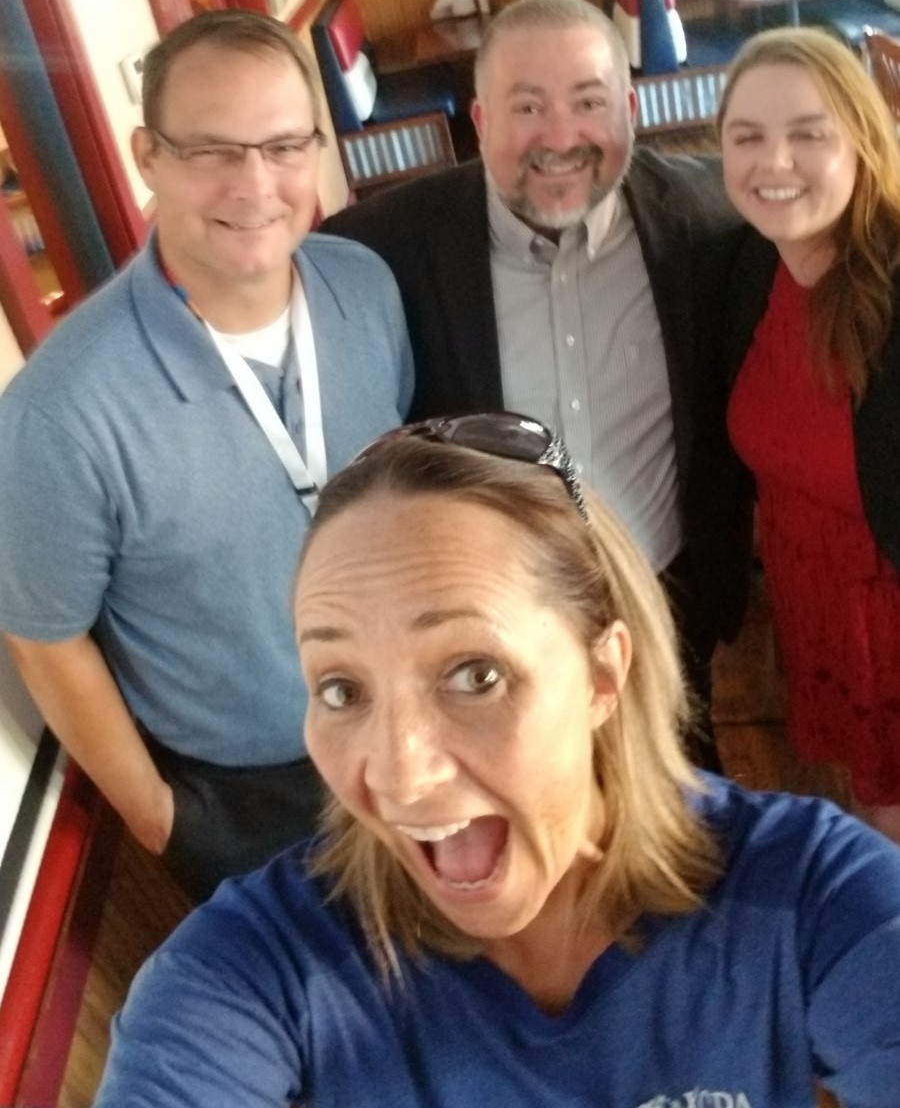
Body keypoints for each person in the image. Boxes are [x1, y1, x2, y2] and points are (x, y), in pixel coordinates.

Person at [95, 413, 900, 1106]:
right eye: (342, 689)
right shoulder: (257, 969)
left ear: (602, 674)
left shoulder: (809, 895)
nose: (401, 775)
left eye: (475, 675)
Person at [0, 9, 413, 900]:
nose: (254, 185)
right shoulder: (57, 415)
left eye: (283, 146)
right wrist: (158, 816)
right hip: (250, 798)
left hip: (412, 724)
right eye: (212, 151)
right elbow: (45, 639)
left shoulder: (367, 286)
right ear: (148, 157)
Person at [320, 0, 751, 771]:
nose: (560, 137)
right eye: (527, 107)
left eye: (588, 102)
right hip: (490, 612)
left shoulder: (714, 216)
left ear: (629, 110)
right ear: (481, 121)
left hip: (666, 591)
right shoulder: (381, 248)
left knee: (684, 781)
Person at [718, 27, 900, 843]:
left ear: (863, 141)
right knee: (868, 817)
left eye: (809, 134)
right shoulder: (749, 269)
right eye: (747, 137)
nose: (775, 161)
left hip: (890, 616)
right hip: (816, 610)